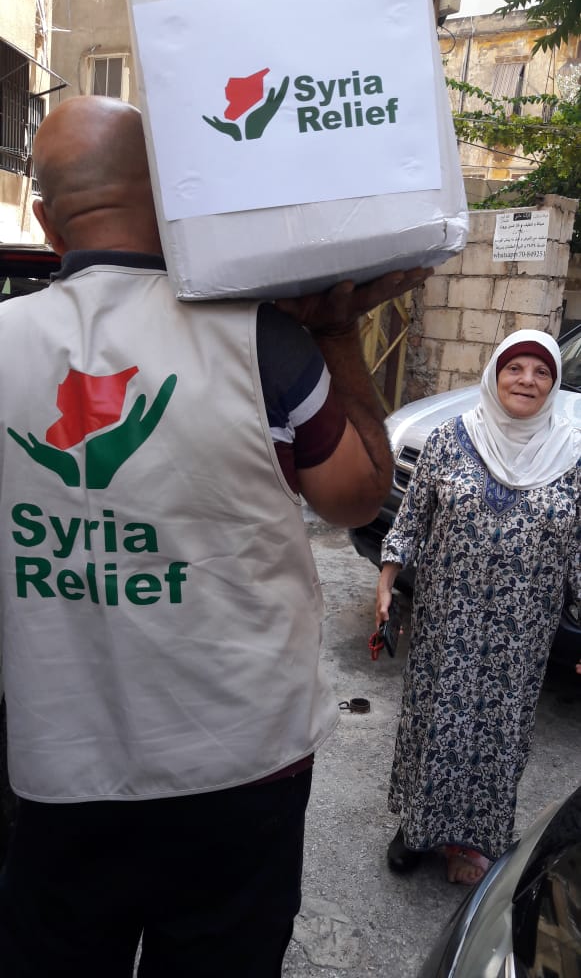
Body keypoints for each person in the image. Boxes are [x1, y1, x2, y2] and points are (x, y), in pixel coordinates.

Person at [0, 94, 431, 978]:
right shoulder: (261, 345)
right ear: (172, 197)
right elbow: (358, 498)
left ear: (47, 223)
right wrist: (338, 333)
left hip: (58, 763)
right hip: (240, 765)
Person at [376, 329, 581, 886]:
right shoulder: (450, 437)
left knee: (499, 729)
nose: (527, 380)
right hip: (449, 616)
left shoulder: (572, 456)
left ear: (554, 383)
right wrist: (388, 578)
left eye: (541, 372)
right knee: (435, 719)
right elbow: (413, 516)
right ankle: (415, 830)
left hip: (523, 629)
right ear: (495, 373)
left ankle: (474, 841)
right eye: (515, 367)